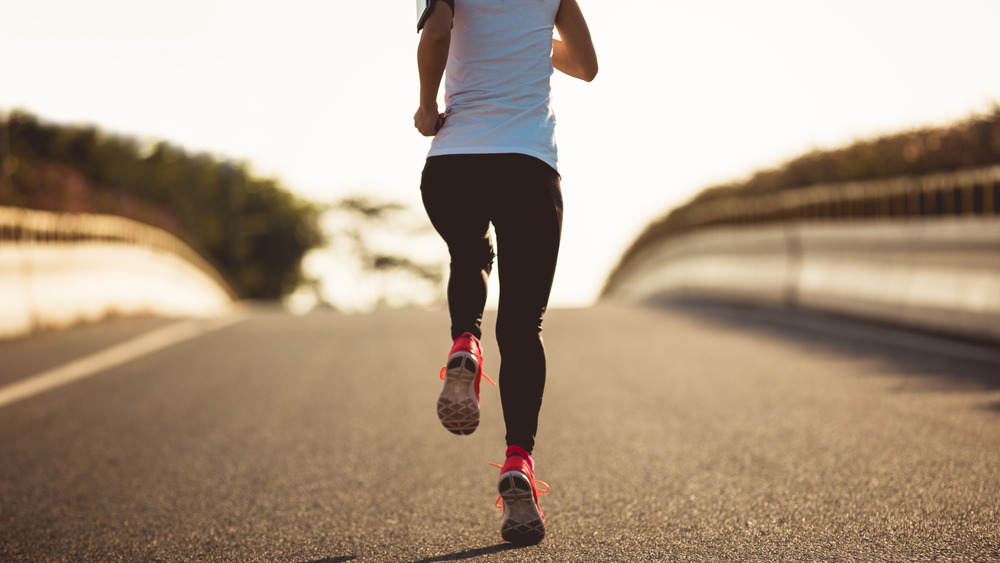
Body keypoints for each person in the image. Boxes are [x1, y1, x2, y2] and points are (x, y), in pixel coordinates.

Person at [414, 0, 597, 545]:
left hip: (453, 163)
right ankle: (518, 460)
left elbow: (437, 34)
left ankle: (464, 344)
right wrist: (533, 38)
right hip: (528, 165)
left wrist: (426, 107)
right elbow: (586, 66)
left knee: (469, 256)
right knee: (521, 327)